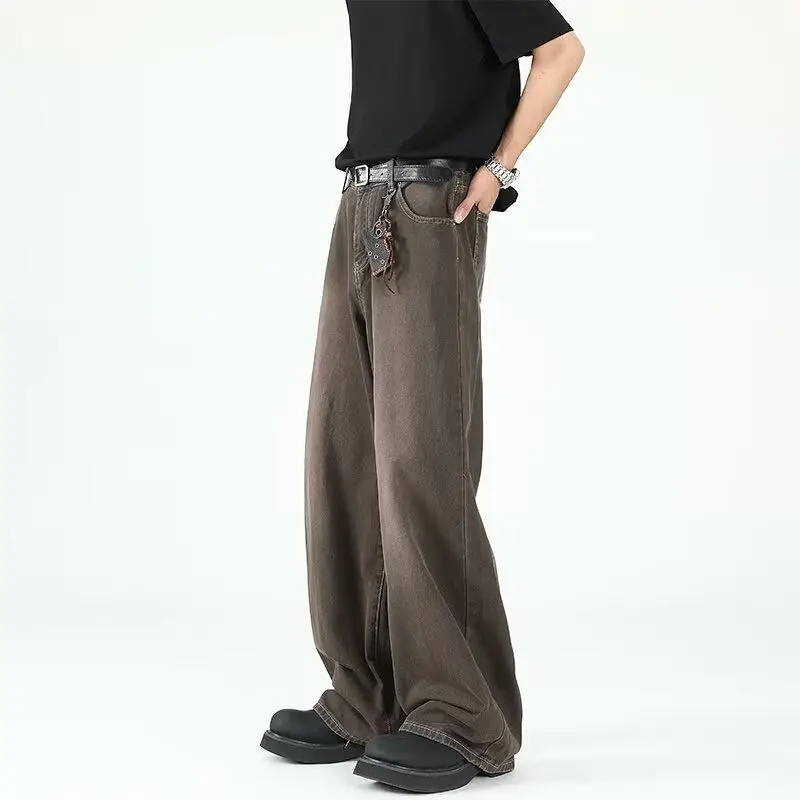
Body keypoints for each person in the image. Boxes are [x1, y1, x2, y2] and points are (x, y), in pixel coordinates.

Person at [260, 0, 584, 792]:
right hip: (359, 205)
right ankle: (367, 695)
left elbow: (560, 51)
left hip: (432, 206)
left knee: (420, 459)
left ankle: (465, 715)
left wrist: (499, 170)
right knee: (341, 459)